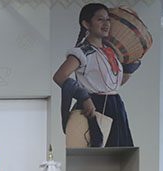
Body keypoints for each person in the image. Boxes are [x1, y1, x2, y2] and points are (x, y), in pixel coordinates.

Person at [52, 3, 139, 147]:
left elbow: (113, 84)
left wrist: (131, 67)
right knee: (96, 154)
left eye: (108, 19)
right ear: (86, 24)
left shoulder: (111, 52)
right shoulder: (82, 52)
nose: (106, 24)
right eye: (100, 19)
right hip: (93, 106)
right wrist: (84, 97)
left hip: (115, 105)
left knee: (119, 154)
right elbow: (59, 76)